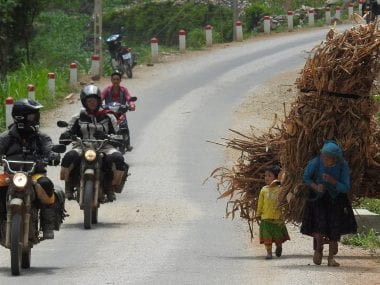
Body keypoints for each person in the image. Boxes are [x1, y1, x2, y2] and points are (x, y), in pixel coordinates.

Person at [0, 99, 65, 239]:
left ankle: (47, 225)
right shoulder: (6, 138)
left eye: (36, 116)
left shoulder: (41, 137)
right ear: (20, 117)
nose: (36, 119)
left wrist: (53, 156)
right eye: (32, 116)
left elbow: (49, 149)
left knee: (46, 184)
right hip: (10, 175)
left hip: (35, 174)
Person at [59, 84, 128, 202]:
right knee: (69, 157)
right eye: (89, 100)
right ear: (84, 102)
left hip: (104, 146)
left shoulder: (108, 116)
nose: (92, 103)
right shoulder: (77, 117)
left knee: (118, 159)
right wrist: (67, 135)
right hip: (82, 145)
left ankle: (111, 186)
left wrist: (107, 136)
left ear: (99, 101)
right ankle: (68, 184)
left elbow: (119, 135)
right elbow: (67, 132)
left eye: (94, 100)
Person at [301, 140, 357, 267]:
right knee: (320, 225)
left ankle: (331, 258)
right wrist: (316, 186)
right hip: (318, 198)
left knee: (334, 227)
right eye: (323, 156)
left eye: (328, 158)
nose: (324, 160)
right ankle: (318, 249)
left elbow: (346, 187)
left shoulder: (343, 166)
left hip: (336, 199)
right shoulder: (316, 162)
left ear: (335, 159)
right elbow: (306, 177)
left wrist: (333, 182)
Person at [256, 165, 290, 260]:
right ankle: (269, 253)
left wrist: (284, 213)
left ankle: (279, 247)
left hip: (277, 219)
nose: (266, 178)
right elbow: (260, 203)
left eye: (269, 175)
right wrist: (258, 214)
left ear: (276, 177)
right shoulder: (264, 190)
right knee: (267, 238)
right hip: (265, 218)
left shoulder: (280, 189)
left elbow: (284, 203)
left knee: (278, 238)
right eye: (265, 176)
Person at [101, 70, 136, 151]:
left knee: (124, 127)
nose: (115, 81)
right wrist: (98, 104)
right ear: (111, 80)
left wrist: (131, 105)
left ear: (120, 80)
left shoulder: (124, 90)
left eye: (117, 79)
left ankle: (127, 144)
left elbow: (129, 98)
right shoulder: (107, 90)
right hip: (109, 113)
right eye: (114, 79)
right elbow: (100, 98)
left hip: (121, 113)